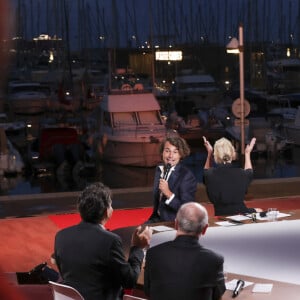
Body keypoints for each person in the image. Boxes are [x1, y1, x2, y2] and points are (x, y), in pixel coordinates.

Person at [53, 182, 152, 300]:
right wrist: (137, 247)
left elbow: (64, 274)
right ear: (106, 211)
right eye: (111, 205)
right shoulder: (110, 241)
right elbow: (129, 281)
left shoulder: (61, 236)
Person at [144, 202, 226, 300]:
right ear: (204, 229)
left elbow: (148, 291)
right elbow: (217, 296)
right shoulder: (214, 260)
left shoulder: (153, 254)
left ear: (176, 224)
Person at [203, 136, 262, 216]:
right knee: (259, 210)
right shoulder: (241, 173)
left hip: (220, 215)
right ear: (232, 152)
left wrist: (209, 153)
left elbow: (206, 172)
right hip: (241, 213)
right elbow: (249, 172)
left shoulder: (209, 174)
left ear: (215, 155)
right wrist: (247, 153)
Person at [146, 136, 197, 223]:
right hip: (156, 219)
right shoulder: (159, 169)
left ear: (181, 154)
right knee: (136, 233)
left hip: (174, 223)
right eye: (167, 151)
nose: (170, 155)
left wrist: (168, 193)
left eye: (175, 152)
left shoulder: (186, 176)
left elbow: (186, 210)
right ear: (162, 152)